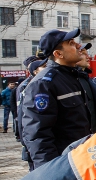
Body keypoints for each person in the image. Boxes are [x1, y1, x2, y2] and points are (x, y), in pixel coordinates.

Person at [22, 28, 90, 168]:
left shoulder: (73, 77)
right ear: (58, 54)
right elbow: (38, 134)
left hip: (82, 160)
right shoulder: (44, 84)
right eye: (71, 43)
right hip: (64, 165)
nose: (78, 46)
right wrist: (50, 172)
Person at [16, 57, 46, 171]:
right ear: (34, 71)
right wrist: (26, 143)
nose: (46, 68)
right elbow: (21, 116)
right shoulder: (28, 86)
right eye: (43, 66)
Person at [76, 44, 96, 133]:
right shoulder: (71, 80)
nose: (88, 57)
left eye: (87, 53)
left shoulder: (87, 79)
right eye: (83, 53)